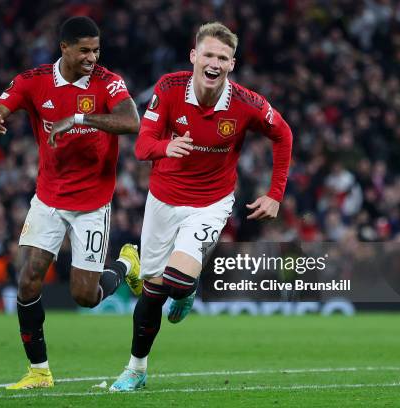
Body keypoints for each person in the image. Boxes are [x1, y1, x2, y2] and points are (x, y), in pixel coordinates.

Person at [110, 22, 293, 391]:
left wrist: (275, 193)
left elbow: (283, 133)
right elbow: (142, 146)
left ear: (232, 64)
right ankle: (136, 369)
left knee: (175, 282)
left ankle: (186, 286)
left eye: (222, 58)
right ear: (194, 56)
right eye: (208, 54)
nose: (215, 62)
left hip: (211, 202)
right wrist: (166, 147)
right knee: (152, 295)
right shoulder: (168, 88)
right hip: (162, 200)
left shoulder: (246, 103)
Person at [0, 16, 143, 390]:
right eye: (84, 50)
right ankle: (39, 372)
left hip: (92, 202)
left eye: (96, 50)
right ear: (64, 48)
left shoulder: (107, 81)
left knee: (85, 297)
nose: (92, 57)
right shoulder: (33, 80)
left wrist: (80, 117)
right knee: (27, 282)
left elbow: (132, 121)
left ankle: (126, 262)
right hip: (49, 198)